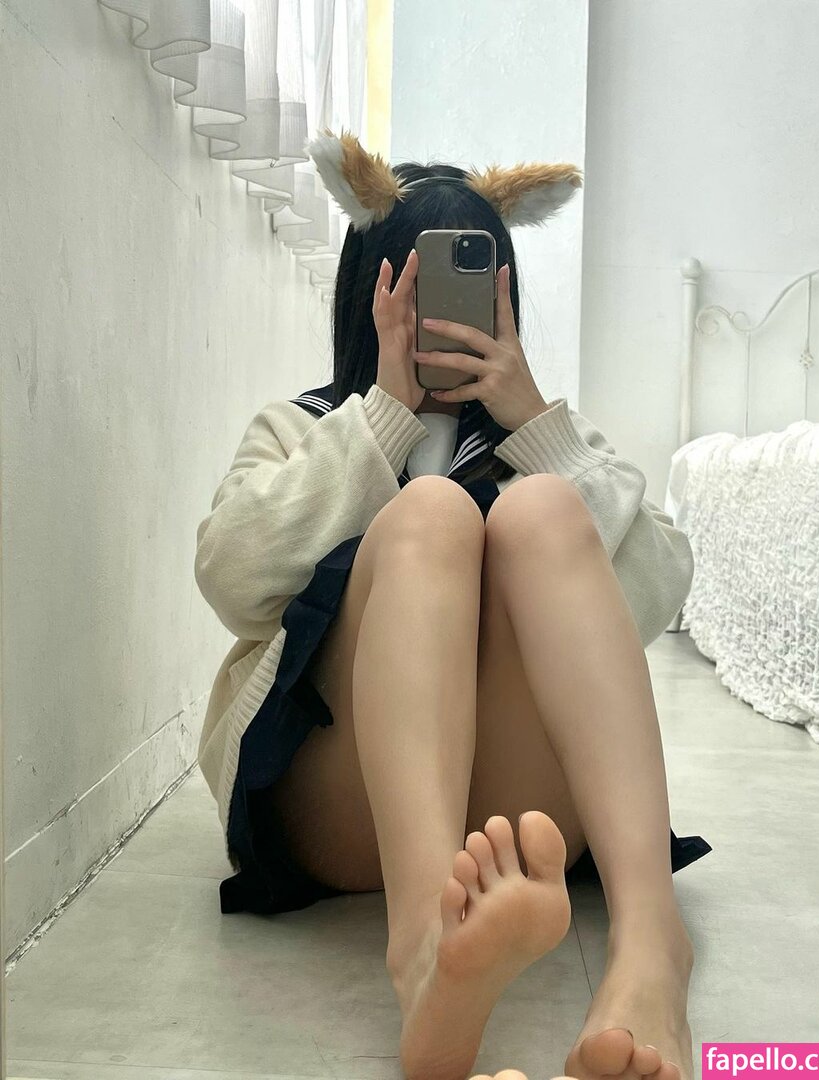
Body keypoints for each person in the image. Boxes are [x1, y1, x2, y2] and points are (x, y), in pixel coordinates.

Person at [194, 129, 711, 1080]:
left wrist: (539, 429)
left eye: (471, 286)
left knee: (543, 510)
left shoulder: (545, 436)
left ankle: (651, 943)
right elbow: (232, 576)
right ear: (372, 294)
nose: (441, 315)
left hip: (515, 820)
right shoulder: (302, 427)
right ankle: (426, 950)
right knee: (432, 513)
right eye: (416, 288)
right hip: (342, 806)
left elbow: (659, 591)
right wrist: (383, 419)